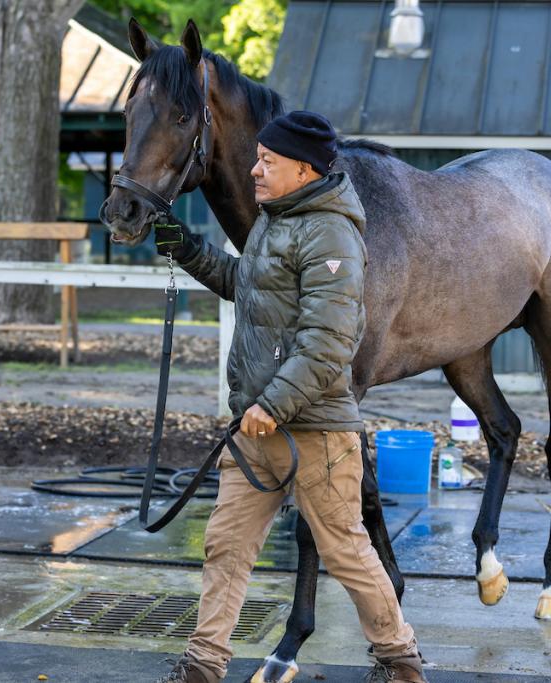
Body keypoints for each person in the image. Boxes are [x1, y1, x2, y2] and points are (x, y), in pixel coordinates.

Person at [152, 111, 424, 683]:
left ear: (303, 170)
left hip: (314, 433)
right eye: (257, 159)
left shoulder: (331, 235)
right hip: (255, 429)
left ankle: (400, 661)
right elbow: (247, 286)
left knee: (347, 552)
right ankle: (204, 664)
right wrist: (186, 248)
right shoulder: (276, 222)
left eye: (267, 161)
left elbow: (329, 341)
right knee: (225, 547)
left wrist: (273, 405)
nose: (254, 170)